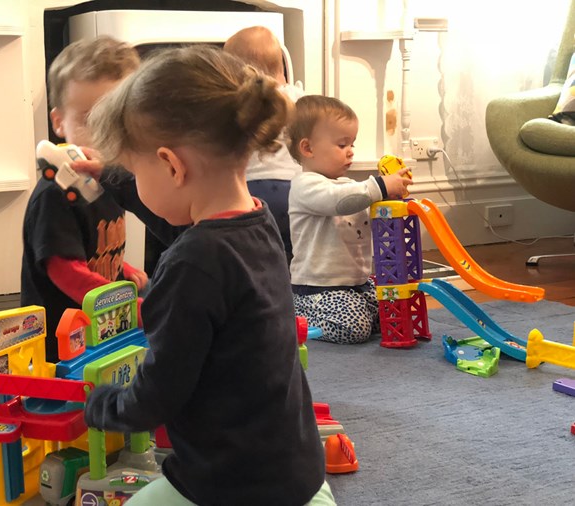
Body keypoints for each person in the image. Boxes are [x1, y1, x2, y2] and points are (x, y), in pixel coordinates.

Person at [83, 46, 335, 506]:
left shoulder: (191, 267)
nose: (132, 179)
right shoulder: (257, 224)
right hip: (296, 468)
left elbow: (157, 395)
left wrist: (103, 405)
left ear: (171, 165)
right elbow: (184, 231)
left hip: (230, 485)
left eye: (134, 170)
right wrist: (112, 179)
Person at [21, 36, 175, 363]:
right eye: (90, 120)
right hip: (62, 342)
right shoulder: (56, 192)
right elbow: (65, 270)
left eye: (117, 120)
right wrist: (127, 306)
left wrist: (123, 268)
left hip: (101, 329)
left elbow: (92, 247)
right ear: (59, 122)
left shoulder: (110, 180)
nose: (105, 134)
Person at [287, 95, 412, 345]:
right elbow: (338, 201)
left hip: (356, 284)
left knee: (391, 313)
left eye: (352, 143)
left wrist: (391, 197)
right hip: (318, 289)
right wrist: (379, 186)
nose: (351, 151)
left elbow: (358, 202)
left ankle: (353, 310)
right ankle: (296, 316)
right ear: (308, 148)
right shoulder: (306, 186)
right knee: (355, 328)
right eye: (342, 144)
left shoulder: (348, 186)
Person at [224, 26, 305, 264]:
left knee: (257, 253)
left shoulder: (237, 103)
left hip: (249, 192)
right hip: (295, 190)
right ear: (281, 64)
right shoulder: (298, 96)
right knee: (295, 253)